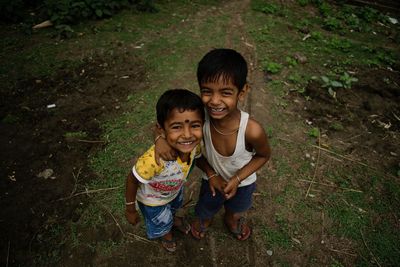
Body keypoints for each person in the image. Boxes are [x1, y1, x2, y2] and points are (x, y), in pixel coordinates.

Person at [155, 48, 271, 241]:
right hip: (212, 182)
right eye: (207, 91)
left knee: (236, 209)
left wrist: (237, 179)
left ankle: (232, 220)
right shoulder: (198, 119)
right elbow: (165, 122)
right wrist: (159, 140)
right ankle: (205, 220)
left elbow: (263, 155)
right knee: (206, 207)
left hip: (243, 183)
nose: (215, 101)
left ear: (242, 92)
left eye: (226, 93)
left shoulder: (251, 130)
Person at [125, 89, 205, 252]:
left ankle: (176, 221)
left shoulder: (194, 147)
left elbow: (198, 158)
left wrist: (211, 173)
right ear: (161, 130)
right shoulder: (153, 161)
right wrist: (130, 209)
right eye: (177, 127)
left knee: (175, 208)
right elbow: (132, 179)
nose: (188, 135)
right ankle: (166, 235)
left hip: (174, 191)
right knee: (162, 221)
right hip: (152, 201)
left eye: (195, 125)